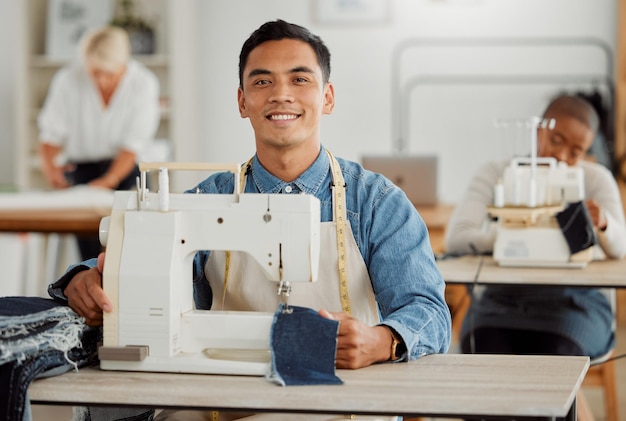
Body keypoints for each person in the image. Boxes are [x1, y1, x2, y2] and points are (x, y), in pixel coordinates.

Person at [46, 19, 451, 421]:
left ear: (327, 97)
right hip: (229, 391)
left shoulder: (376, 201)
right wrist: (86, 280)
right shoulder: (211, 196)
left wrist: (381, 341)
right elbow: (145, 252)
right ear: (242, 102)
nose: (281, 95)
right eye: (262, 82)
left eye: (299, 80)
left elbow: (428, 309)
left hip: (342, 395)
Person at [445, 94, 626, 359]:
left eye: (575, 152)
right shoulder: (498, 172)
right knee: (483, 350)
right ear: (538, 129)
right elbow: (457, 238)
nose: (561, 156)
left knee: (557, 357)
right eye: (555, 140)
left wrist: (604, 224)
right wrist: (514, 239)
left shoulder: (596, 180)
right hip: (502, 303)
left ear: (586, 151)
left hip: (575, 304)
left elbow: (620, 247)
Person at [38, 25, 160, 260]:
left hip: (125, 170)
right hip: (81, 170)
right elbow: (50, 135)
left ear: (123, 64)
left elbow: (132, 146)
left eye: (110, 74)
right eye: (95, 72)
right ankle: (92, 278)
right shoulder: (68, 79)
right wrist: (51, 169)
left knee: (121, 233)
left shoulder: (143, 83)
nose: (102, 80)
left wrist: (107, 181)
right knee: (89, 234)